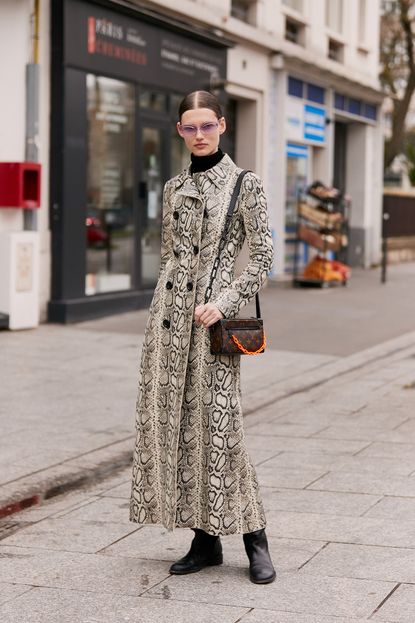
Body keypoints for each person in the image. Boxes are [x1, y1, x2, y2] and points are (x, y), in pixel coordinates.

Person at [129, 90, 276, 584]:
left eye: (207, 126)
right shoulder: (172, 186)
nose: (199, 135)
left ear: (222, 125)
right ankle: (204, 540)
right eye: (190, 127)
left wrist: (225, 302)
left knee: (220, 430)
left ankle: (255, 538)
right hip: (167, 326)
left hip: (210, 327)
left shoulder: (243, 183)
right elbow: (170, 256)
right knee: (178, 430)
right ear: (179, 130)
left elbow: (262, 257)